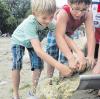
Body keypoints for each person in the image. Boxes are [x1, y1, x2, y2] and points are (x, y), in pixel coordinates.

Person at [11, 0, 73, 99]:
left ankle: (33, 92)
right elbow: (39, 51)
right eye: (44, 18)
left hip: (33, 43)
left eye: (51, 17)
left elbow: (63, 36)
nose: (48, 21)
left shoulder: (51, 22)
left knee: (38, 66)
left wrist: (77, 52)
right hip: (18, 40)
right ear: (34, 14)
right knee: (17, 64)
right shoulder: (30, 23)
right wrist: (59, 66)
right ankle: (15, 93)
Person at [47, 0, 96, 81]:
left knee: (65, 61)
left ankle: (62, 80)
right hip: (55, 33)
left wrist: (90, 55)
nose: (80, 13)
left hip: (69, 34)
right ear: (69, 3)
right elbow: (59, 36)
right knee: (52, 55)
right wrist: (71, 57)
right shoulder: (63, 13)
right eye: (76, 9)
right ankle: (49, 78)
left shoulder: (88, 13)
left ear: (89, 6)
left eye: (84, 9)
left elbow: (90, 34)